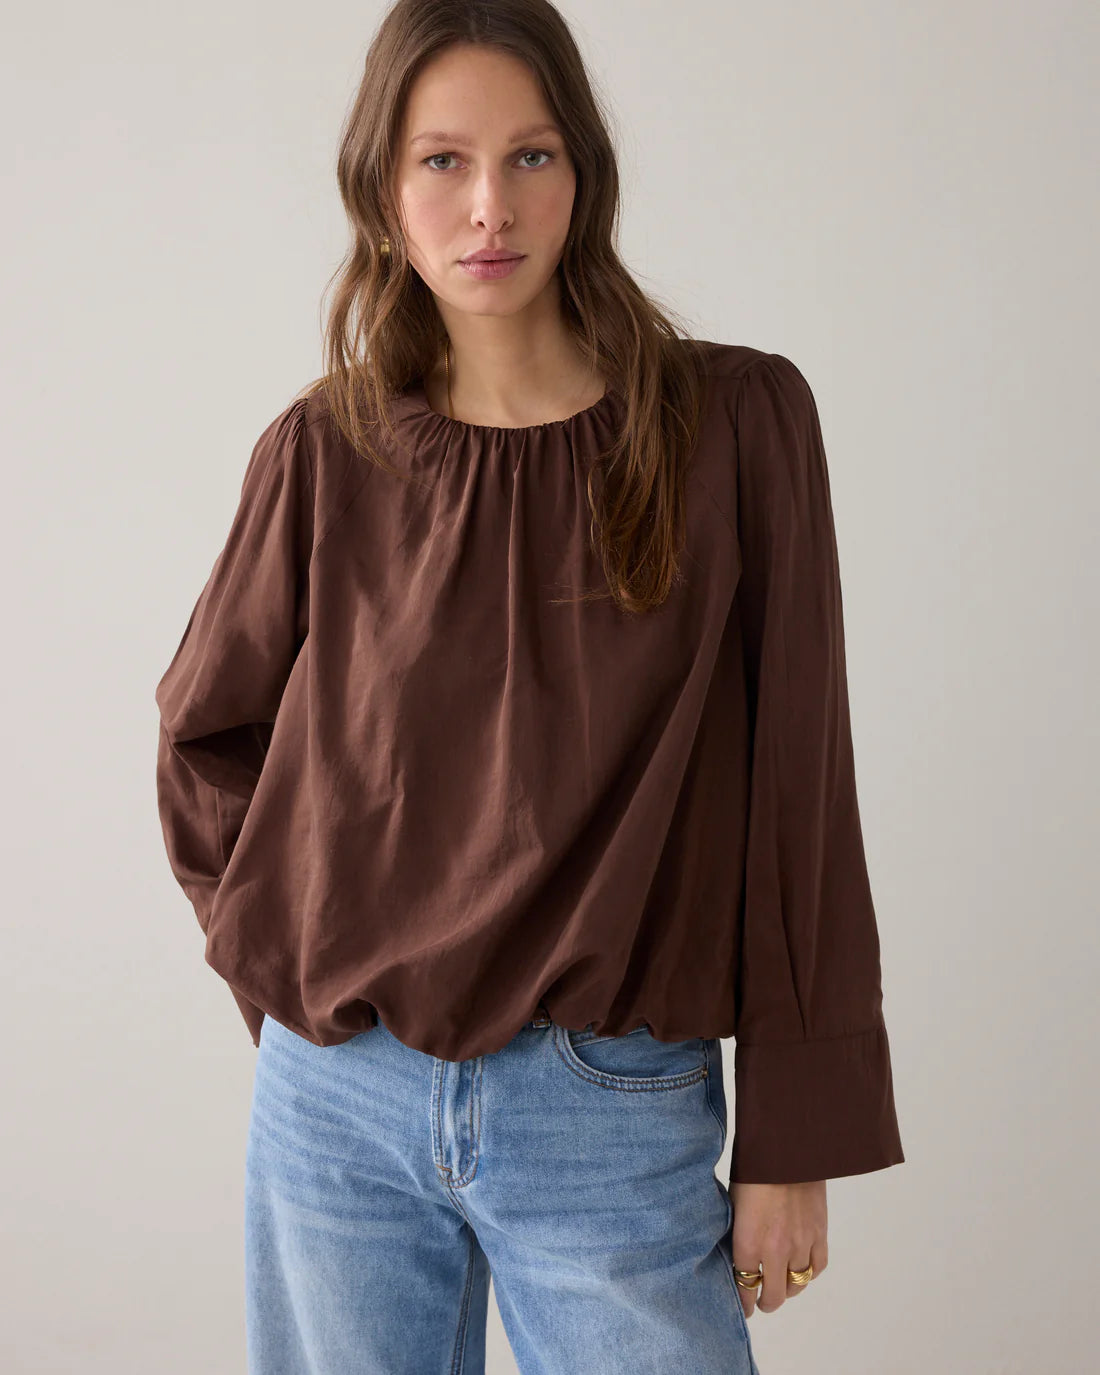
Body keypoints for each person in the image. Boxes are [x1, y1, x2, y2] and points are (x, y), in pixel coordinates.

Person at [152, 2, 904, 1371]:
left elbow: (800, 794)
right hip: (337, 1111)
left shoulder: (734, 428)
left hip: (607, 1106)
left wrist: (794, 1134)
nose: (489, 206)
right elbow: (206, 737)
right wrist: (304, 999)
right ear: (384, 189)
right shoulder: (323, 452)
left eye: (531, 156)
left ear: (584, 174)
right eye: (442, 160)